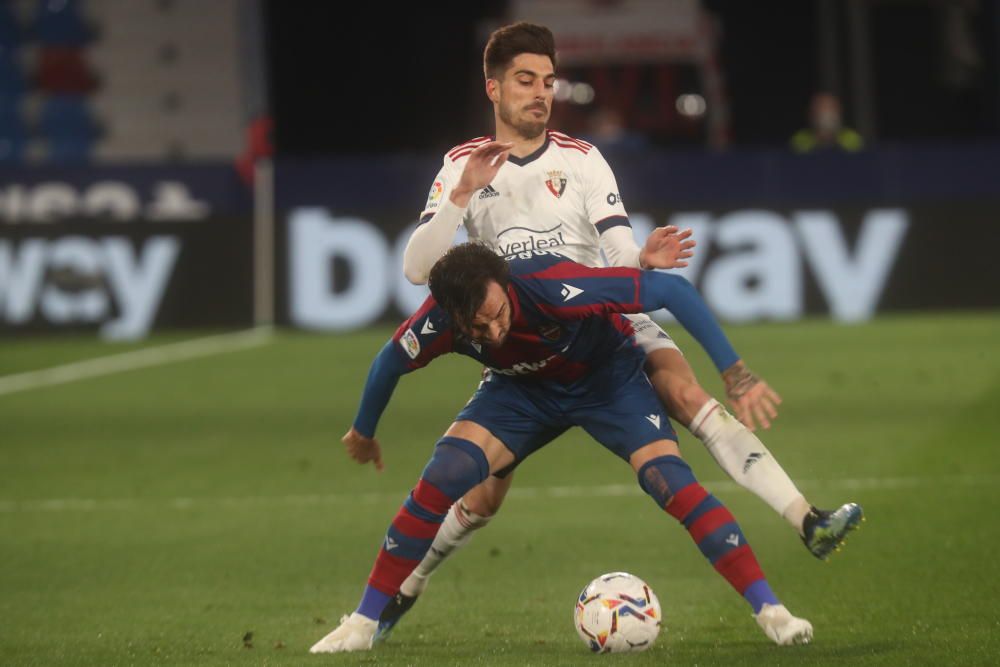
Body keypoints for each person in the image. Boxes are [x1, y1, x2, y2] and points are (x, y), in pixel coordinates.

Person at [392, 21, 862, 636]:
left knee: (689, 397)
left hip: (606, 327)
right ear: (494, 88)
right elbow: (417, 269)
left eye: (549, 81)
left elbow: (616, 255)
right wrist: (458, 198)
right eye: (526, 81)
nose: (541, 92)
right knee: (480, 499)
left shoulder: (583, 160)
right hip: (526, 351)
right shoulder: (462, 166)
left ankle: (807, 520)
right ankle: (411, 582)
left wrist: (639, 261)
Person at [311, 243, 823, 654]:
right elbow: (388, 362)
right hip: (520, 394)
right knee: (445, 473)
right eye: (477, 328)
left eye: (496, 314)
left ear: (505, 286)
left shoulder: (554, 287)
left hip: (607, 383)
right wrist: (363, 429)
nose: (493, 330)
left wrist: (735, 372)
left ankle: (771, 611)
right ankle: (362, 622)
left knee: (669, 481)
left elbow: (671, 289)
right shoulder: (440, 318)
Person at [790, 92, 864, 153]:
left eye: (831, 109)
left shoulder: (852, 138)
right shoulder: (800, 140)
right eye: (821, 109)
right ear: (812, 114)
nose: (827, 115)